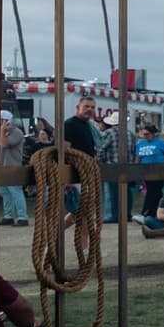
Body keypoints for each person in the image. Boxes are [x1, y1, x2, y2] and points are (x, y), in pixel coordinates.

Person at [62, 95, 100, 248]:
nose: (90, 109)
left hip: (87, 175)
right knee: (84, 217)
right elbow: (64, 151)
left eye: (92, 107)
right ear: (78, 108)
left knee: (80, 214)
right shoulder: (69, 125)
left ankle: (52, 235)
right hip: (75, 175)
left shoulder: (90, 127)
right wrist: (68, 178)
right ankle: (84, 251)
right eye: (86, 106)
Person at [96, 110, 135, 224]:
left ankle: (112, 215)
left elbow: (101, 149)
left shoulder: (109, 132)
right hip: (127, 167)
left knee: (111, 192)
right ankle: (127, 214)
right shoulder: (130, 134)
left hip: (111, 166)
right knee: (126, 192)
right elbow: (133, 151)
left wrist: (99, 161)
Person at [133, 124, 164, 222]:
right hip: (146, 172)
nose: (145, 136)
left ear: (153, 134)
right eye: (144, 134)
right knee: (156, 193)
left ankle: (145, 213)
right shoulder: (140, 144)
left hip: (160, 172)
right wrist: (135, 171)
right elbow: (137, 159)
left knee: (152, 191)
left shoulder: (161, 143)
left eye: (147, 134)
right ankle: (158, 213)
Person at [0, 109, 29, 227]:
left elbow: (5, 144)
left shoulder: (17, 132)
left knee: (15, 192)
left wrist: (2, 131)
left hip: (13, 167)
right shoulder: (1, 132)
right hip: (2, 166)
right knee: (4, 192)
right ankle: (8, 216)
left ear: (6, 121)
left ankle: (22, 217)